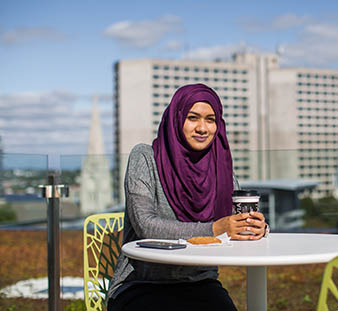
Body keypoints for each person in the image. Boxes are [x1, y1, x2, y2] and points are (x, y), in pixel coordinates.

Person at [107, 83, 267, 311]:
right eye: (193, 118)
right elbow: (146, 226)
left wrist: (258, 227)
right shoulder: (145, 157)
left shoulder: (221, 168)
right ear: (176, 119)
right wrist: (214, 229)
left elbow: (234, 221)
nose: (202, 128)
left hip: (200, 284)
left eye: (210, 120)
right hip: (141, 284)